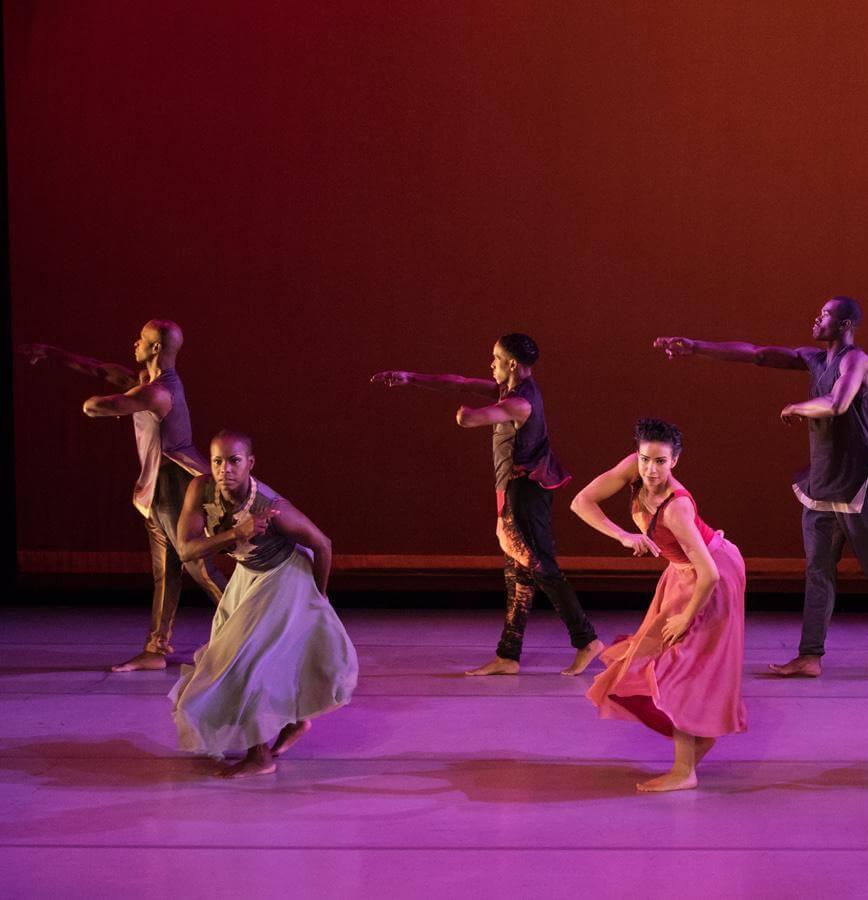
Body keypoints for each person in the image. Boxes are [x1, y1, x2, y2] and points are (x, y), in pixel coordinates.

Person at [653, 296, 868, 677]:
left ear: (846, 324)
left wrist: (798, 407)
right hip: (821, 482)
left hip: (858, 482)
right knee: (818, 570)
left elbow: (838, 403)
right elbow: (756, 353)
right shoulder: (814, 359)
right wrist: (697, 347)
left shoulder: (856, 360)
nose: (816, 318)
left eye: (826, 315)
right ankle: (810, 655)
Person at [371, 333, 602, 676]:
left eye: (495, 358)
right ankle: (508, 655)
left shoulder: (520, 402)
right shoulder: (509, 391)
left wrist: (466, 416)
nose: (490, 364)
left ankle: (586, 640)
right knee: (518, 573)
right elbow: (461, 383)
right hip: (514, 490)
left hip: (526, 493)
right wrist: (412, 378)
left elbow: (474, 418)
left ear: (511, 364)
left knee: (539, 566)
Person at [18, 321, 227, 671]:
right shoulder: (144, 384)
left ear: (156, 349)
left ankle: (258, 630)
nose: (135, 343)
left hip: (175, 489)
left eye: (142, 340)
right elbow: (97, 368)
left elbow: (96, 407)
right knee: (166, 572)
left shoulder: (159, 392)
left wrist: (104, 405)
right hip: (157, 492)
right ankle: (155, 649)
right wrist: (52, 353)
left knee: (199, 567)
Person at [169, 430, 358, 778]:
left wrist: (318, 594)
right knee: (222, 658)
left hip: (284, 576)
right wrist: (234, 535)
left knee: (247, 664)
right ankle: (295, 722)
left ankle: (260, 756)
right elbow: (185, 550)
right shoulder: (201, 489)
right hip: (248, 576)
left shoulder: (273, 509)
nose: (225, 469)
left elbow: (323, 544)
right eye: (217, 461)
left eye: (234, 461)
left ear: (250, 463)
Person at [572, 418, 747, 792]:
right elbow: (580, 502)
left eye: (660, 462)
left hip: (710, 578)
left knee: (677, 667)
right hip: (682, 575)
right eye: (645, 459)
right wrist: (622, 536)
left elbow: (710, 573)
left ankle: (685, 770)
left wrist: (686, 617)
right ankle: (696, 744)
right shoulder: (634, 470)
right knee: (665, 661)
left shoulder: (675, 508)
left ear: (675, 462)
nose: (651, 469)